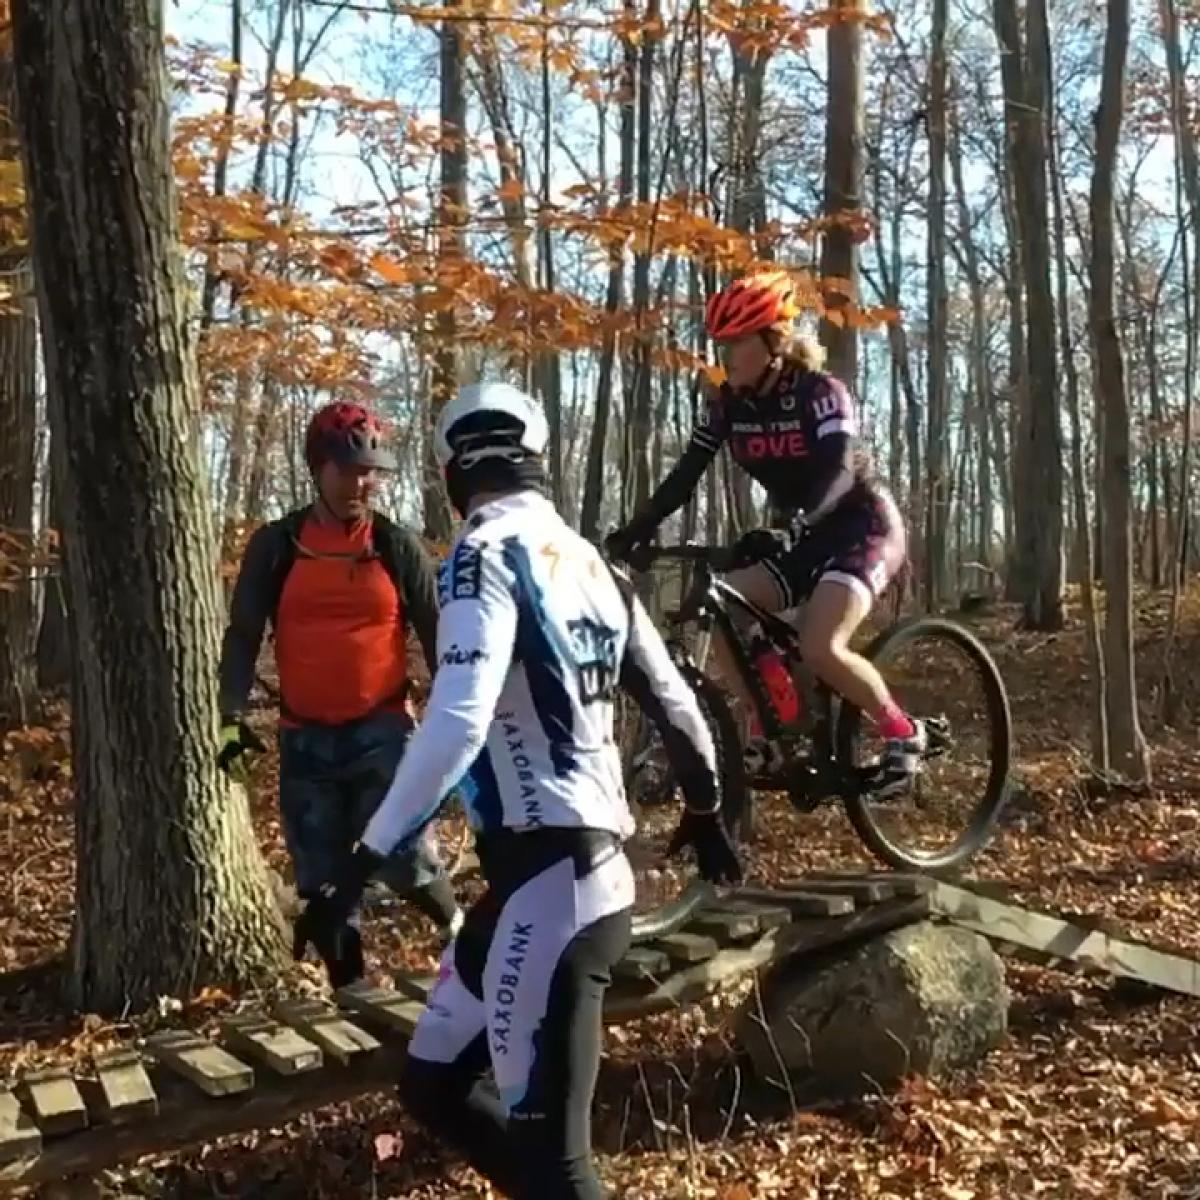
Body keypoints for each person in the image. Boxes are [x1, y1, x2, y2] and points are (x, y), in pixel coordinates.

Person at [291, 382, 741, 1199]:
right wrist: (706, 811)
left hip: (556, 890)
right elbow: (675, 701)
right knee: (432, 1082)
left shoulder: (479, 557)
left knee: (559, 1167)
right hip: (542, 887)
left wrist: (358, 865)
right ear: (537, 461)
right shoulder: (598, 566)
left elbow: (458, 723)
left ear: (452, 472)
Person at [606, 270, 924, 794]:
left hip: (859, 527)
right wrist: (634, 531)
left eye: (735, 343)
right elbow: (685, 475)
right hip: (804, 536)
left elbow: (841, 470)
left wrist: (799, 523)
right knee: (723, 603)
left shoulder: (821, 393)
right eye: (719, 344)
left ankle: (901, 732)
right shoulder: (729, 406)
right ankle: (765, 727)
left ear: (774, 342)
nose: (724, 354)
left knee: (820, 644)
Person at [217, 400, 461, 987]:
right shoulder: (277, 545)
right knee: (322, 884)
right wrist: (229, 718)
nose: (362, 483)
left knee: (404, 859)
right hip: (305, 739)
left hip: (384, 730)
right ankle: (352, 995)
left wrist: (452, 725)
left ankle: (463, 934)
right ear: (317, 469)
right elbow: (244, 633)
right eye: (348, 470)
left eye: (371, 471)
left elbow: (437, 637)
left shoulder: (396, 546)